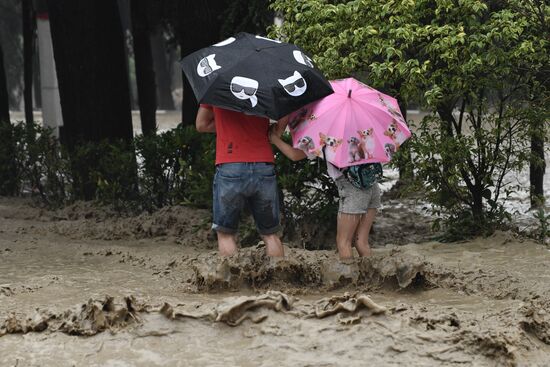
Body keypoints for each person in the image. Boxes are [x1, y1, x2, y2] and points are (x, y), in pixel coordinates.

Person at [269, 118, 380, 259]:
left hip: (352, 187)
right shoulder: (359, 124)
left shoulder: (323, 131)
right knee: (362, 242)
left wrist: (274, 138)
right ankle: (369, 279)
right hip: (371, 184)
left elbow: (295, 155)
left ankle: (350, 280)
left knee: (343, 242)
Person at [196, 105, 285, 257]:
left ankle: (233, 279)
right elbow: (284, 115)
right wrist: (276, 130)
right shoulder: (265, 86)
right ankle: (279, 278)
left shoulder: (217, 87)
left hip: (230, 164)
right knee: (270, 234)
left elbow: (201, 124)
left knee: (225, 233)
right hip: (263, 164)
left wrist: (228, 126)